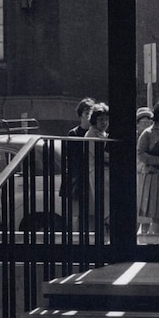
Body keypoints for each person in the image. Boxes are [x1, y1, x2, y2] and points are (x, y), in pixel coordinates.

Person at [64, 97, 96, 229]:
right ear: (80, 114)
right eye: (85, 112)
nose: (88, 115)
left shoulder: (96, 133)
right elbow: (71, 158)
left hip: (91, 177)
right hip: (78, 179)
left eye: (91, 112)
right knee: (77, 215)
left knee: (93, 213)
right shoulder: (74, 133)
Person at [137, 101, 159, 236]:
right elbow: (140, 154)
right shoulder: (148, 133)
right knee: (151, 211)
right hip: (153, 175)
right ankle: (145, 237)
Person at [85, 102, 110, 229]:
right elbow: (100, 155)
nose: (104, 122)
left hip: (106, 172)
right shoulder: (91, 135)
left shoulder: (105, 135)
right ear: (94, 120)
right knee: (105, 204)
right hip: (98, 172)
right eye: (101, 119)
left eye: (106, 119)